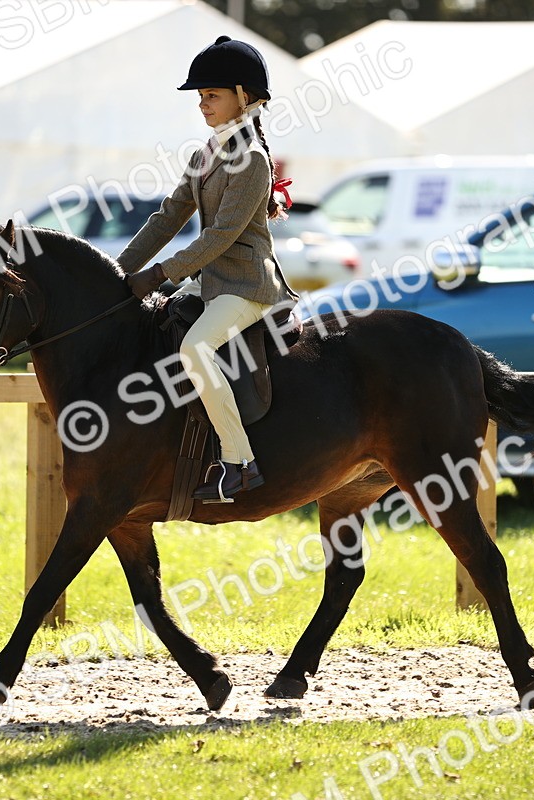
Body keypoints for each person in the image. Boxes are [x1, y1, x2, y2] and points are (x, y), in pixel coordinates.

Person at [119, 35, 298, 502]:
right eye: (200, 97)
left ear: (245, 97)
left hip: (247, 286)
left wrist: (159, 275)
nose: (203, 105)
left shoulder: (253, 161)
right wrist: (117, 273)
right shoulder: (206, 154)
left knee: (195, 349)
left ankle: (240, 463)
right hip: (212, 285)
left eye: (212, 95)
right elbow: (167, 217)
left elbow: (219, 237)